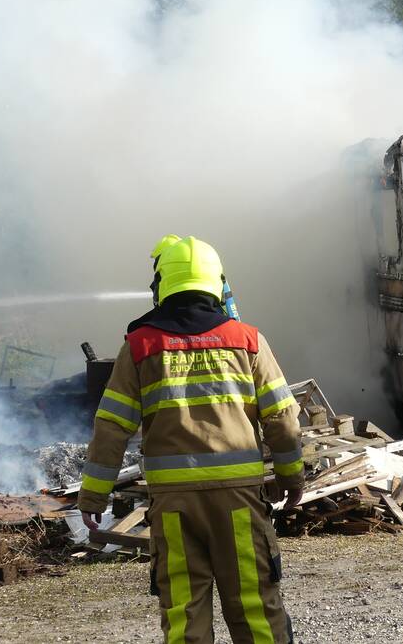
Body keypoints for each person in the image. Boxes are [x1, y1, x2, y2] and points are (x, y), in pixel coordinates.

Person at [77, 235, 304, 644]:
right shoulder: (248, 340)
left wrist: (93, 497)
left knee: (184, 615)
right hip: (239, 502)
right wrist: (292, 479)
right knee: (255, 608)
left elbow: (112, 426)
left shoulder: (140, 347)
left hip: (174, 507)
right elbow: (283, 420)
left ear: (162, 284)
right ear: (216, 282)